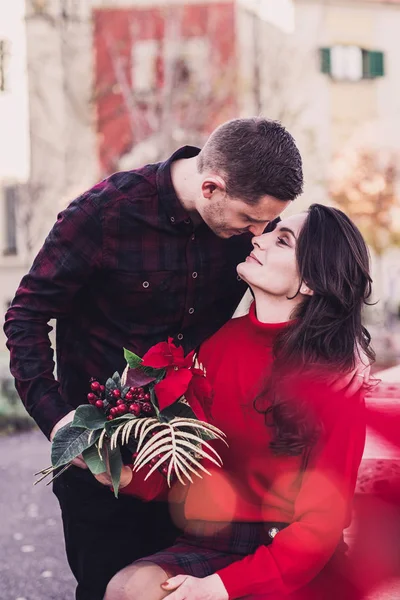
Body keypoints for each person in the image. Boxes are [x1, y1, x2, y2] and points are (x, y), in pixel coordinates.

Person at [4, 118, 306, 600]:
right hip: (103, 457)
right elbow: (25, 317)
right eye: (251, 219)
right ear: (211, 187)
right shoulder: (102, 214)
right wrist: (59, 422)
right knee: (106, 588)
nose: (259, 234)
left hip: (192, 463)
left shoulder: (243, 230)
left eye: (269, 223)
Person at [103, 204, 373, 600]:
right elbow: (190, 464)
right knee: (127, 589)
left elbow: (320, 525)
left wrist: (219, 588)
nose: (259, 239)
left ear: (313, 281)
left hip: (301, 553)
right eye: (270, 231)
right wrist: (127, 476)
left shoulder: (337, 378)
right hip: (215, 537)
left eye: (282, 240)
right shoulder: (215, 346)